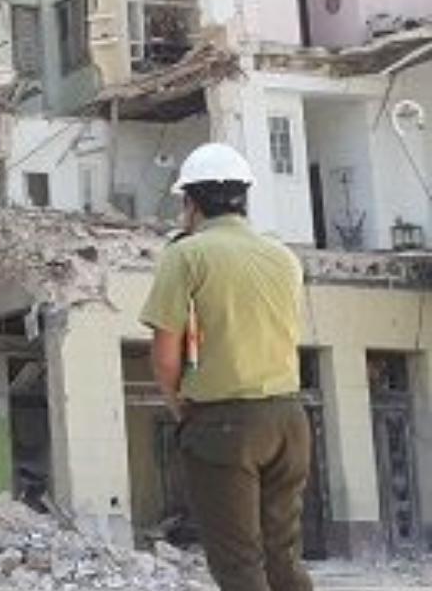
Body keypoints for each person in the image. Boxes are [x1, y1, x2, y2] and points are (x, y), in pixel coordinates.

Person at [141, 143, 311, 591]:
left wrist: (180, 406)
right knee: (283, 556)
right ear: (244, 197)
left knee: (238, 564)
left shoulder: (186, 255)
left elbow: (165, 350)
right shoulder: (284, 257)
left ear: (190, 203)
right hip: (290, 420)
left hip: (224, 424)